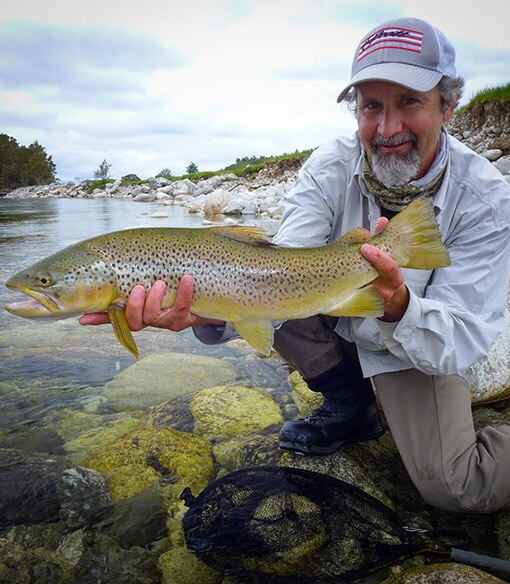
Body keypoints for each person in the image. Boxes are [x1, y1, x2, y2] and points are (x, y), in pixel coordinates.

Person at [80, 17, 510, 513]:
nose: (387, 128)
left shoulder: (486, 201)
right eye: (372, 106)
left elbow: (462, 340)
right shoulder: (329, 166)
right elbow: (271, 268)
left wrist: (398, 305)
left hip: (417, 344)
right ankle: (353, 407)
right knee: (279, 290)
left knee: (458, 489)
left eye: (408, 103)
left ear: (448, 106)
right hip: (336, 309)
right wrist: (207, 312)